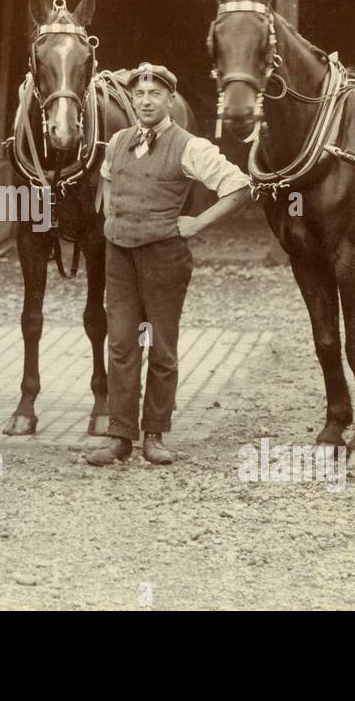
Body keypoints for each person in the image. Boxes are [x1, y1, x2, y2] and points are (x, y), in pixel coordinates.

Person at [84, 63, 252, 466]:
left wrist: (198, 222)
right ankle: (120, 437)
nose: (145, 101)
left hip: (164, 257)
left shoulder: (190, 146)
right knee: (122, 344)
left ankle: (154, 436)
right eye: (138, 94)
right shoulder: (119, 140)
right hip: (119, 255)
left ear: (169, 100)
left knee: (161, 347)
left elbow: (240, 185)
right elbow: (107, 178)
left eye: (154, 94)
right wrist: (109, 216)